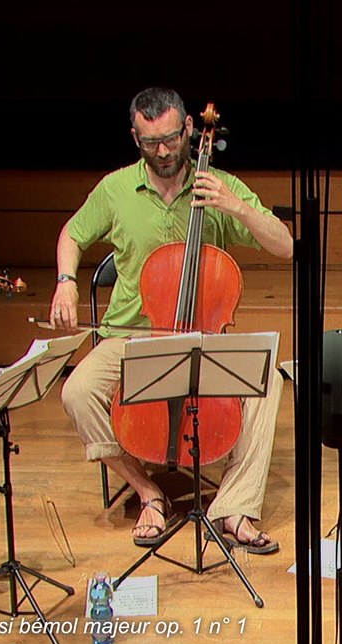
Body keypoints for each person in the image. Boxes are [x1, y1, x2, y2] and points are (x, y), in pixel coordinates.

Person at [49, 87, 292, 552]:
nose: (161, 152)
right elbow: (72, 235)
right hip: (131, 336)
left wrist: (235, 206)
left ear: (187, 130)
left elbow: (284, 244)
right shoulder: (115, 188)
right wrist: (65, 280)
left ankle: (235, 506)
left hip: (204, 337)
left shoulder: (217, 185)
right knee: (77, 393)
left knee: (270, 380)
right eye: (148, 143)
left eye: (169, 140)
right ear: (134, 137)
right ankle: (148, 491)